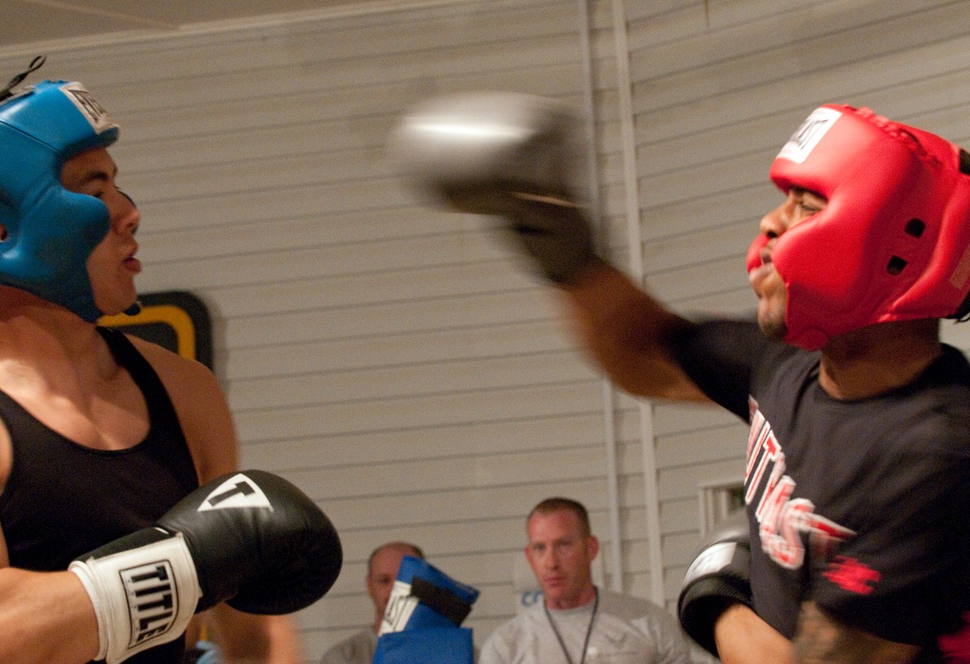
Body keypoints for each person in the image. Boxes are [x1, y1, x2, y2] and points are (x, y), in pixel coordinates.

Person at [389, 94, 970, 663]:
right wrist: (560, 246)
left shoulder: (936, 453)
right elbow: (644, 355)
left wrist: (716, 594)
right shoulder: (791, 367)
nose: (771, 222)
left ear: (894, 245)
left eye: (806, 204)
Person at [0, 61, 343, 663]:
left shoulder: (184, 391)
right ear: (4, 223)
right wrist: (185, 558)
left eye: (118, 185)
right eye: (94, 192)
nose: (128, 212)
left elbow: (251, 635)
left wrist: (216, 562)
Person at [479, 497, 692, 664]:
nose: (551, 562)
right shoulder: (506, 646)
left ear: (591, 548)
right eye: (540, 548)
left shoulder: (650, 624)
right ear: (529, 557)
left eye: (564, 545)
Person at [319, 541, 425, 664]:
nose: (395, 590)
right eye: (384, 581)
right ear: (370, 585)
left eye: (405, 579)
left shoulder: (446, 648)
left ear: (425, 583)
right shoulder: (343, 658)